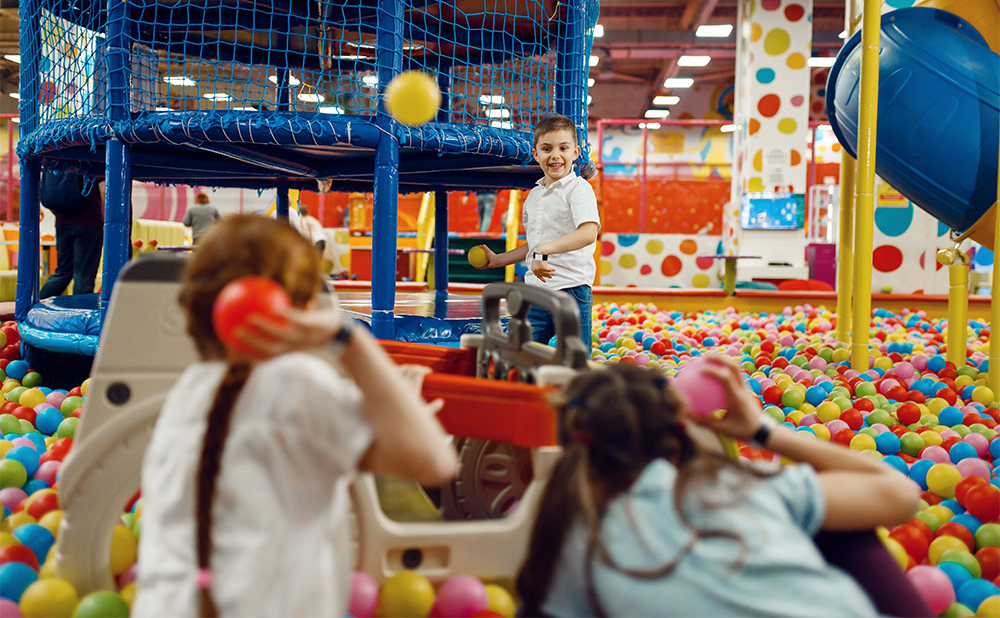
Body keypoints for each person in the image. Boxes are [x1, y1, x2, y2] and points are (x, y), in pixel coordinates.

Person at [133, 215, 457, 618]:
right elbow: (435, 462)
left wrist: (387, 410)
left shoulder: (190, 390)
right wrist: (348, 338)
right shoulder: (299, 383)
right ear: (301, 309)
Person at [517, 360, 927, 617]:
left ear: (577, 450)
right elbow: (902, 494)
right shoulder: (738, 484)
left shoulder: (570, 538)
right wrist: (762, 431)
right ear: (678, 438)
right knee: (840, 526)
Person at [472, 115, 599, 352]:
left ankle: (575, 388)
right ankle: (528, 387)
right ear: (536, 154)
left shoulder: (578, 189)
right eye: (547, 149)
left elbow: (588, 233)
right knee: (525, 349)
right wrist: (498, 260)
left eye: (563, 148)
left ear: (575, 152)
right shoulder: (534, 196)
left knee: (575, 352)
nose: (555, 155)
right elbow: (534, 244)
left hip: (571, 287)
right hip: (536, 289)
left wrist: (545, 250)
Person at [39, 172, 104, 299]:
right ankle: (79, 315)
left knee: (62, 273)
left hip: (62, 224)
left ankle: (34, 307)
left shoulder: (56, 161)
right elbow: (103, 189)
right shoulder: (87, 159)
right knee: (83, 277)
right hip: (88, 222)